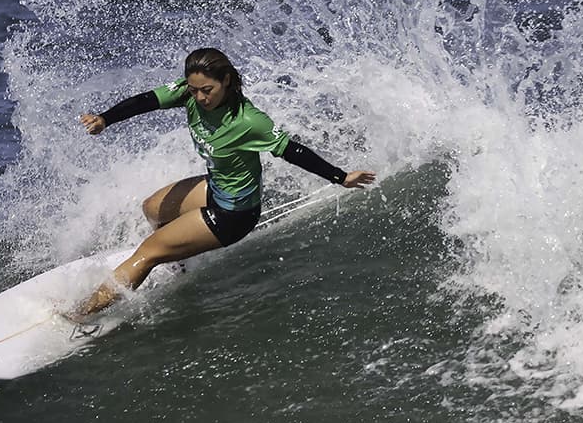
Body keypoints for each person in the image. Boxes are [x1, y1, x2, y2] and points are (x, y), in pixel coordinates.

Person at [67, 47, 375, 318]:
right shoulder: (189, 94)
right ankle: (177, 257)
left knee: (147, 252)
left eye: (207, 90)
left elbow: (292, 151)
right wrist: (105, 118)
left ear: (226, 81)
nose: (200, 97)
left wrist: (341, 177)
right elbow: (146, 101)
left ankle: (83, 313)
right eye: (194, 89)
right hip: (214, 188)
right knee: (152, 209)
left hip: (234, 215)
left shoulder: (248, 121)